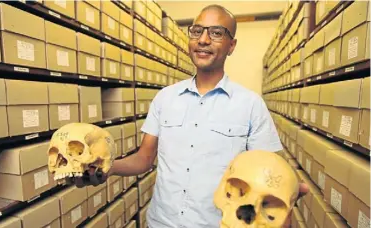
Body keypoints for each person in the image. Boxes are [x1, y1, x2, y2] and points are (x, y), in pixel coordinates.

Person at [72, 4, 308, 228]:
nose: (203, 40)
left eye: (216, 33)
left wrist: (285, 194)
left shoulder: (250, 105)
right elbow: (144, 159)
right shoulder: (165, 98)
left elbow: (269, 174)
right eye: (197, 31)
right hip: (161, 222)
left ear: (231, 46)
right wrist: (107, 167)